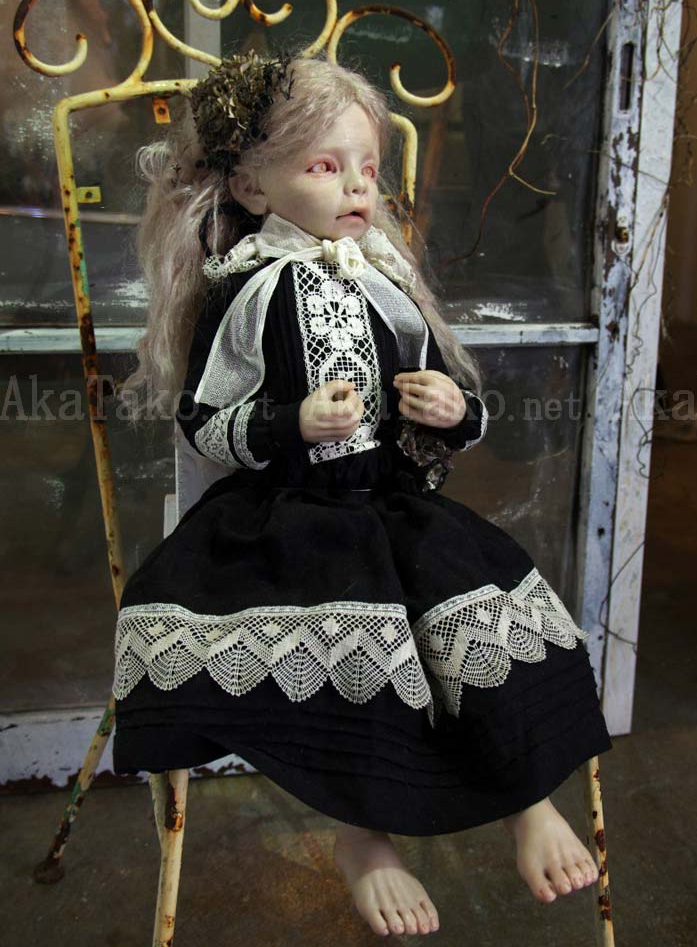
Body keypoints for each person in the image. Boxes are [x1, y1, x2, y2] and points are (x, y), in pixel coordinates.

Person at [112, 49, 612, 938]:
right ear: (252, 187)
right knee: (360, 635)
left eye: (369, 169)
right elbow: (203, 422)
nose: (355, 186)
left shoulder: (384, 280)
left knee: (476, 608)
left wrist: (452, 409)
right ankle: (363, 835)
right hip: (290, 514)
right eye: (323, 166)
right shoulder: (250, 290)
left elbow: (444, 400)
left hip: (392, 503)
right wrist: (288, 423)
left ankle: (525, 796)